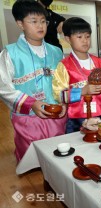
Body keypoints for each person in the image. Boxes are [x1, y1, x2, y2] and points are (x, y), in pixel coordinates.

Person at [0, 0, 66, 162]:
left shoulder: (56, 52)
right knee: (32, 161)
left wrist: (64, 103)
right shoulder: (10, 53)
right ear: (20, 24)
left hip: (56, 114)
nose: (40, 26)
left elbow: (64, 82)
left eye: (43, 21)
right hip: (27, 119)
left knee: (57, 158)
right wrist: (32, 103)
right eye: (34, 21)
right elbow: (4, 87)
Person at [52, 17, 101, 133]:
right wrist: (82, 91)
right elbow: (59, 95)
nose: (85, 40)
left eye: (87, 36)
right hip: (77, 119)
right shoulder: (64, 66)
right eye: (79, 37)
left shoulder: (99, 62)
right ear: (68, 39)